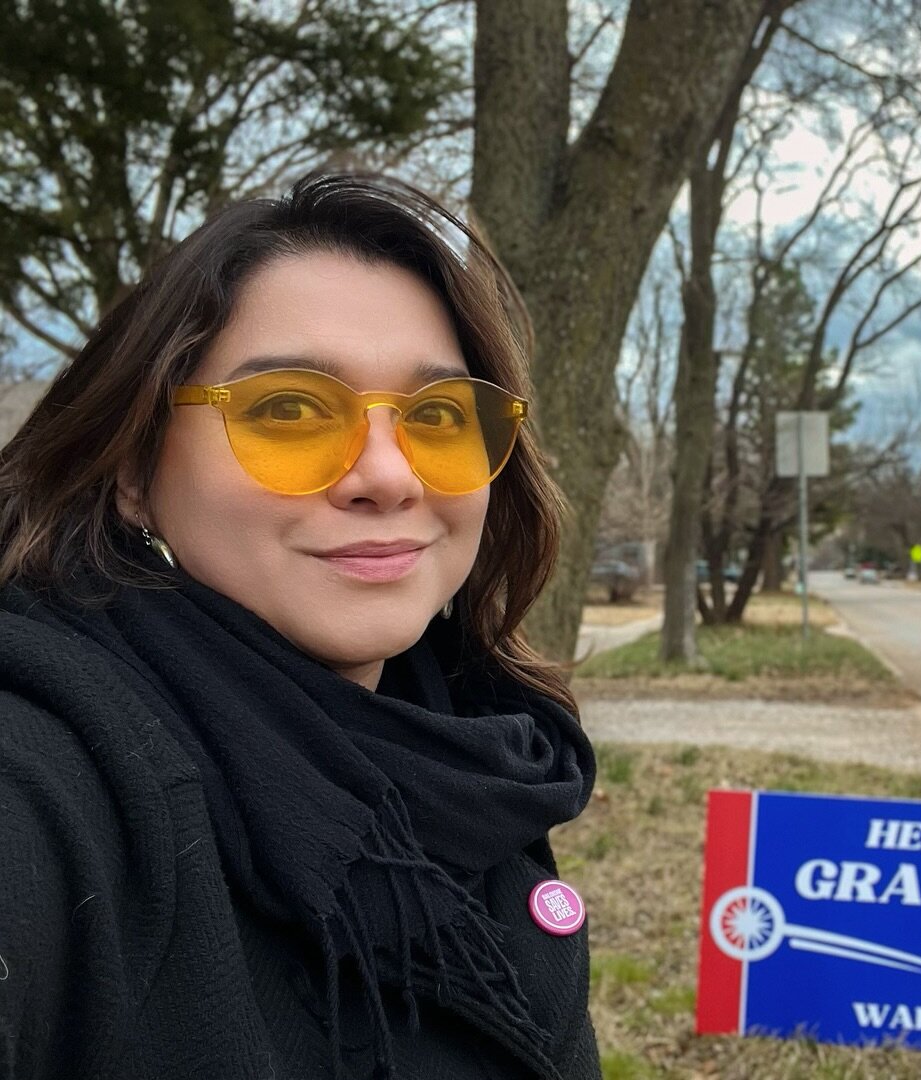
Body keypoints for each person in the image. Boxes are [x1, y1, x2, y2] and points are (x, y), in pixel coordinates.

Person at [0, 174, 600, 1079]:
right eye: (287, 408)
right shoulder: (48, 782)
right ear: (132, 470)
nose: (390, 476)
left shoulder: (481, 758)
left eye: (438, 415)